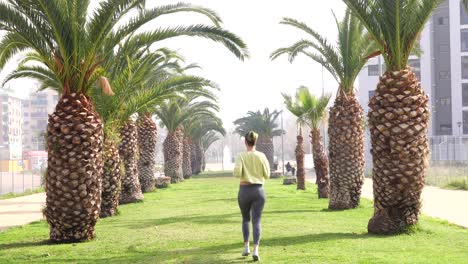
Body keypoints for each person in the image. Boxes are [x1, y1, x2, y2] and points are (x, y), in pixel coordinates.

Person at [233, 131, 270, 262]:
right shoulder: (262, 156)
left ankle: (246, 247)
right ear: (256, 141)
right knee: (257, 221)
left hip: (244, 190)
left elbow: (237, 173)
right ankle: (256, 250)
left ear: (245, 142)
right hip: (259, 190)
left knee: (245, 219)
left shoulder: (241, 156)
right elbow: (267, 174)